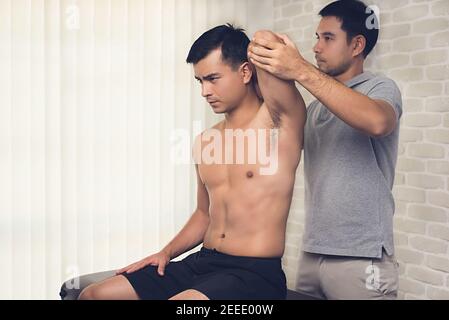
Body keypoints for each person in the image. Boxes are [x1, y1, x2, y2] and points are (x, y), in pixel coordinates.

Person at [77, 24, 306, 300]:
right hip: (203, 263)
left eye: (213, 78)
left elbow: (266, 42)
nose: (205, 91)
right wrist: (166, 252)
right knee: (94, 294)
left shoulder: (279, 125)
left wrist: (253, 44)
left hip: (253, 274)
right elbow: (203, 214)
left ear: (245, 72)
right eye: (200, 81)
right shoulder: (206, 141)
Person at [248, 0, 401, 299]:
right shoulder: (316, 108)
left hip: (361, 257)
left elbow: (377, 121)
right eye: (317, 38)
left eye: (328, 38)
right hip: (312, 252)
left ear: (357, 45)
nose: (316, 48)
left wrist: (299, 68)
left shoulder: (380, 88)